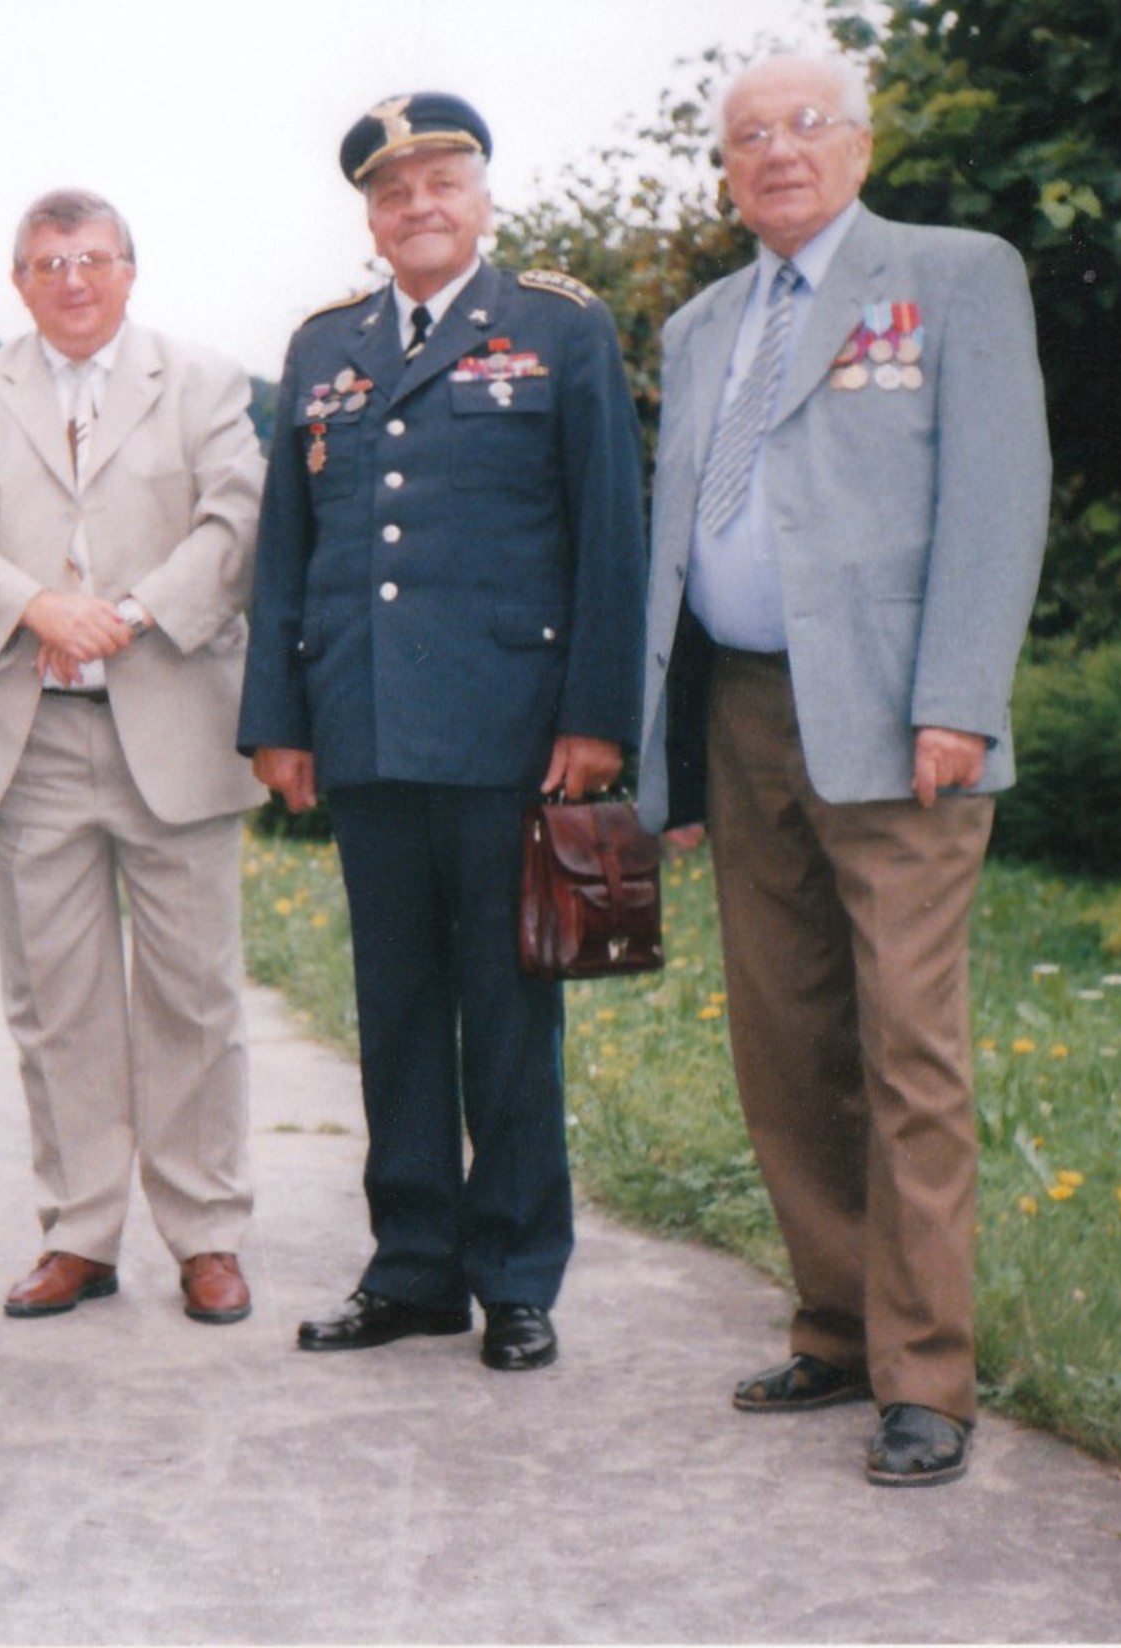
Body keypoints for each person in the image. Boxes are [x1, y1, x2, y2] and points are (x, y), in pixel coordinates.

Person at [638, 53, 1049, 1486]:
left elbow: (999, 495)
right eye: (748, 135)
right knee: (785, 1041)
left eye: (806, 125)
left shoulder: (955, 275)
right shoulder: (702, 324)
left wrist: (960, 699)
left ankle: (925, 1375)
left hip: (898, 721)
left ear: (862, 147)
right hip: (746, 714)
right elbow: (679, 544)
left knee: (908, 1049)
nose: (778, 151)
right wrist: (674, 756)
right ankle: (834, 1323)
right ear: (727, 172)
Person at [238, 95, 644, 1371]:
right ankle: (412, 1269)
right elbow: (288, 549)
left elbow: (610, 532)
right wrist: (280, 720)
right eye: (393, 191)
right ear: (370, 217)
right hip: (365, 728)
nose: (419, 206)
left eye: (442, 183)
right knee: (397, 1008)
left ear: (482, 197)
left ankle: (516, 1276)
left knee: (511, 1013)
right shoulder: (325, 347)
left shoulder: (559, 328)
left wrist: (596, 716)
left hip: (510, 731)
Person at [0, 190, 266, 1325]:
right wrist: (35, 606)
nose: (72, 279)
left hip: (174, 722)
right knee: (55, 1001)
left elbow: (237, 526)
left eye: (92, 258)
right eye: (47, 262)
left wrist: (127, 613)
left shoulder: (206, 383)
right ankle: (78, 1233)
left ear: (130, 268)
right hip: (29, 735)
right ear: (17, 282)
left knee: (196, 996)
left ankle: (207, 1233)